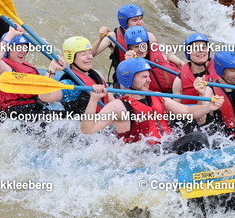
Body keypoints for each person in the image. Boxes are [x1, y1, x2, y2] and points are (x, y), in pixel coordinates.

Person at [80, 58, 223, 154]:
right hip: (145, 155)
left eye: (148, 76)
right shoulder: (118, 106)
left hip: (165, 147)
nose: (149, 80)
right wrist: (93, 100)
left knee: (216, 140)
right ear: (128, 79)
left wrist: (208, 107)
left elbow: (186, 111)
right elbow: (88, 130)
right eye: (144, 77)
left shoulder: (157, 96)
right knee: (198, 138)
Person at [0, 27, 62, 119]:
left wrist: (53, 67)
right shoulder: (3, 69)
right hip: (16, 114)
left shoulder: (25, 66)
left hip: (34, 110)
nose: (23, 51)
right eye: (18, 47)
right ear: (8, 50)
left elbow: (43, 90)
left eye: (24, 47)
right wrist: (11, 34)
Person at [49, 36, 115, 114]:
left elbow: (112, 101)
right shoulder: (69, 84)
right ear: (71, 57)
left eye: (90, 53)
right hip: (82, 120)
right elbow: (46, 96)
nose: (90, 57)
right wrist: (52, 68)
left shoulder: (94, 76)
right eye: (83, 54)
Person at [91, 4, 158, 78]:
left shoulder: (149, 36)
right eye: (135, 20)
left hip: (146, 78)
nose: (140, 23)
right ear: (124, 22)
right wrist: (100, 38)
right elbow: (91, 54)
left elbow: (158, 60)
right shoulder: (113, 37)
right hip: (124, 78)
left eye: (141, 18)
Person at [123, 26, 183, 93]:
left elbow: (180, 64)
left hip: (176, 89)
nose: (141, 49)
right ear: (129, 47)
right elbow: (125, 87)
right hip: (155, 95)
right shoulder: (128, 63)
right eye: (136, 47)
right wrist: (128, 64)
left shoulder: (160, 49)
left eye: (143, 45)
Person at [172, 33, 217, 104]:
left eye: (203, 47)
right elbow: (176, 107)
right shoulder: (179, 81)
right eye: (196, 48)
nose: (201, 50)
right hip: (194, 110)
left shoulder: (220, 70)